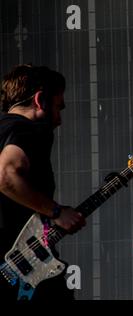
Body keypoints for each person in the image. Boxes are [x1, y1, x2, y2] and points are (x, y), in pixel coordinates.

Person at [0, 64, 86, 300]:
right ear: (39, 100)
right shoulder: (28, 129)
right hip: (21, 269)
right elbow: (6, 177)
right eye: (58, 107)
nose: (58, 119)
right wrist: (56, 211)